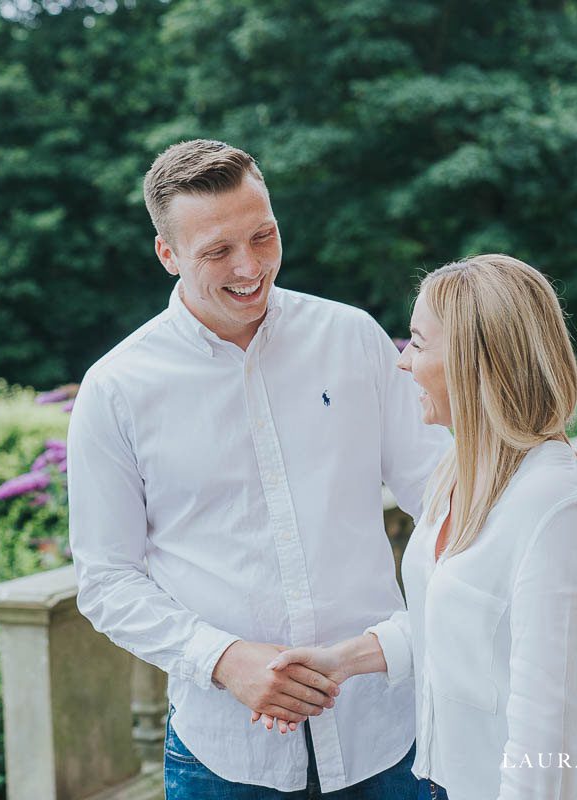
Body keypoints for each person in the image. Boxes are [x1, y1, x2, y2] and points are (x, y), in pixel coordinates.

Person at [67, 139, 451, 797]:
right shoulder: (116, 389)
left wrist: (527, 472)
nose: (249, 267)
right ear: (168, 254)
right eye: (217, 251)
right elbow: (106, 578)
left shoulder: (352, 337)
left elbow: (444, 495)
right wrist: (223, 661)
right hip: (224, 753)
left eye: (264, 236)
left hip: (386, 730)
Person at [267, 255, 577, 799]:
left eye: (418, 344)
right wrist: (343, 661)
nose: (403, 364)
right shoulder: (457, 471)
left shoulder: (550, 500)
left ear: (476, 362)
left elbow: (549, 718)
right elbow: (453, 619)